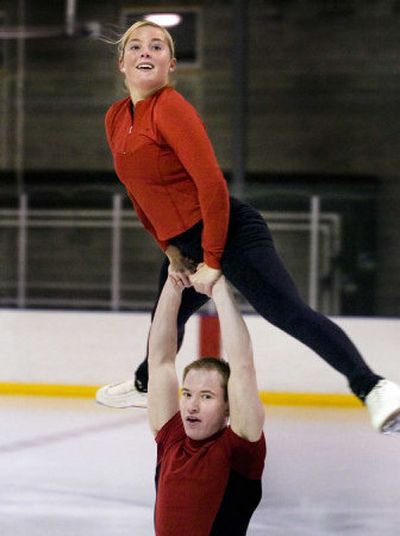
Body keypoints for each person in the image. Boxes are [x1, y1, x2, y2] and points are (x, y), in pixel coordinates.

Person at [96, 20, 400, 435]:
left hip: (229, 231)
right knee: (163, 322)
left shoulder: (170, 108)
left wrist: (214, 258)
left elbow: (212, 187)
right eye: (135, 46)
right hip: (185, 241)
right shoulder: (116, 118)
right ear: (122, 64)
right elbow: (136, 189)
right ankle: (145, 383)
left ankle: (375, 388)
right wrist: (169, 247)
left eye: (157, 46)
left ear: (171, 65)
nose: (145, 52)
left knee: (287, 313)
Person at [147, 274, 266, 535]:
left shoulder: (239, 449)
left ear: (228, 406)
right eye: (187, 394)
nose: (192, 406)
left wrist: (220, 287)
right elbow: (160, 360)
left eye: (206, 396)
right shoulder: (171, 441)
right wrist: (173, 282)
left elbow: (243, 367)